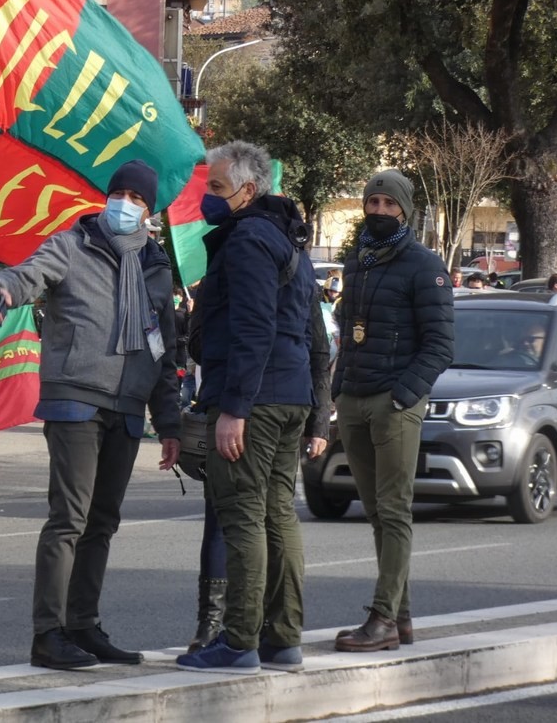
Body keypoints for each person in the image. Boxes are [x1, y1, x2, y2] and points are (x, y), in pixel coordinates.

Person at [0, 158, 181, 671]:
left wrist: (171, 423)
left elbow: (165, 349)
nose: (125, 205)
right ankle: (48, 634)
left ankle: (83, 626)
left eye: (136, 200)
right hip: (75, 399)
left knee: (103, 522)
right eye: (120, 195)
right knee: (69, 518)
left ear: (149, 210)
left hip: (130, 407)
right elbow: (30, 274)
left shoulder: (157, 267)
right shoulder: (73, 244)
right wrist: (1, 288)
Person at [175, 140, 320, 673]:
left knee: (243, 518)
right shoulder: (290, 240)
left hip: (254, 400)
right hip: (290, 395)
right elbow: (310, 332)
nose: (207, 199)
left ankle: (239, 641)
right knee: (278, 515)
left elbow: (254, 326)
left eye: (215, 188)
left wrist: (234, 407)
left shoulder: (248, 240)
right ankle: (283, 638)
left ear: (248, 190)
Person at [332, 169, 454, 651]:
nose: (379, 211)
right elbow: (347, 331)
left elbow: (441, 345)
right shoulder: (357, 261)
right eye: (373, 202)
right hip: (355, 398)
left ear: (404, 209)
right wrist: (339, 391)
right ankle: (401, 619)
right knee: (377, 513)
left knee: (395, 510)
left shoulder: (425, 265)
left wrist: (404, 395)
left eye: (389, 203)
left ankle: (382, 619)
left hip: (394, 402)